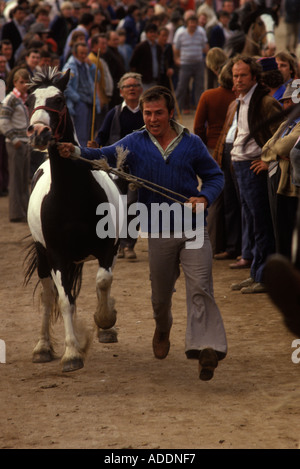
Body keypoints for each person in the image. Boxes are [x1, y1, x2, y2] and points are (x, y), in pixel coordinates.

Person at [58, 85, 227, 381]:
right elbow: (103, 155)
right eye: (147, 113)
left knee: (201, 286)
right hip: (159, 228)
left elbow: (215, 176)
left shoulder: (193, 143)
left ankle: (206, 346)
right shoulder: (134, 143)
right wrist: (74, 151)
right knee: (161, 298)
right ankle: (163, 328)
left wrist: (205, 197)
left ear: (171, 113)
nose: (152, 118)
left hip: (193, 226)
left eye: (158, 113)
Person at [230, 55, 282, 294]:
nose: (238, 79)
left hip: (253, 168)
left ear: (253, 77)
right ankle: (256, 273)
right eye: (235, 75)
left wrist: (266, 158)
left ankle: (265, 276)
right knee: (251, 223)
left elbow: (280, 133)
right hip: (240, 167)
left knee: (261, 224)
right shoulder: (242, 99)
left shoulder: (264, 101)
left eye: (242, 75)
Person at [89, 72, 144, 260]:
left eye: (135, 85)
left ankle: (128, 245)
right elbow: (102, 135)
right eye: (128, 86)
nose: (132, 89)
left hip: (139, 168)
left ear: (141, 89)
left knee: (132, 206)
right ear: (121, 91)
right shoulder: (115, 113)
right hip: (116, 168)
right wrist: (95, 144)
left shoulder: (147, 112)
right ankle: (116, 243)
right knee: (115, 205)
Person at [194, 60, 236, 258]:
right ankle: (229, 242)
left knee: (213, 197)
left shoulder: (209, 96)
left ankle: (211, 242)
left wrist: (203, 147)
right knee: (231, 198)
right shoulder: (237, 97)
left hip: (212, 147)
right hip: (233, 147)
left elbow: (198, 127)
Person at [260, 82, 300, 260]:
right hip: (279, 183)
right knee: (280, 233)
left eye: (292, 101)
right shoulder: (286, 123)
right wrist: (276, 153)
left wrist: (274, 151)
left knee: (291, 236)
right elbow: (265, 150)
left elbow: (282, 148)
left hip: (293, 188)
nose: (288, 105)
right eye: (286, 101)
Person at [0, 68, 30, 222]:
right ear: (15, 83)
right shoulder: (11, 99)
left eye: (26, 82)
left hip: (24, 142)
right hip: (16, 143)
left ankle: (23, 210)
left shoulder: (22, 99)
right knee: (16, 179)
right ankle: (16, 212)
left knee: (24, 178)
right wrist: (14, 140)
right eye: (21, 82)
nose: (25, 85)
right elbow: (3, 123)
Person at [62, 41, 99, 147]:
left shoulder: (86, 65)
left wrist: (91, 66)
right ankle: (81, 153)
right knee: (81, 133)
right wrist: (77, 99)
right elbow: (66, 86)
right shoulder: (69, 67)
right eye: (81, 53)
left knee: (89, 132)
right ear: (74, 53)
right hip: (79, 104)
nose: (84, 56)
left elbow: (98, 77)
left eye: (85, 53)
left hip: (89, 101)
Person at [173, 15, 209, 113]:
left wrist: (208, 57)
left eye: (194, 22)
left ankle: (200, 110)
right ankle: (175, 110)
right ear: (187, 23)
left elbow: (205, 46)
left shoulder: (201, 32)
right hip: (185, 64)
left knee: (200, 87)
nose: (193, 24)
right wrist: (176, 59)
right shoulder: (180, 32)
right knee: (181, 87)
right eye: (191, 22)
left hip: (198, 63)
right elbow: (176, 48)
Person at [129, 23, 161, 91]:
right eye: (151, 32)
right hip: (144, 81)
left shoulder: (158, 47)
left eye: (155, 32)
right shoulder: (141, 47)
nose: (153, 34)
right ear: (146, 34)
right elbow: (132, 64)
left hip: (155, 80)